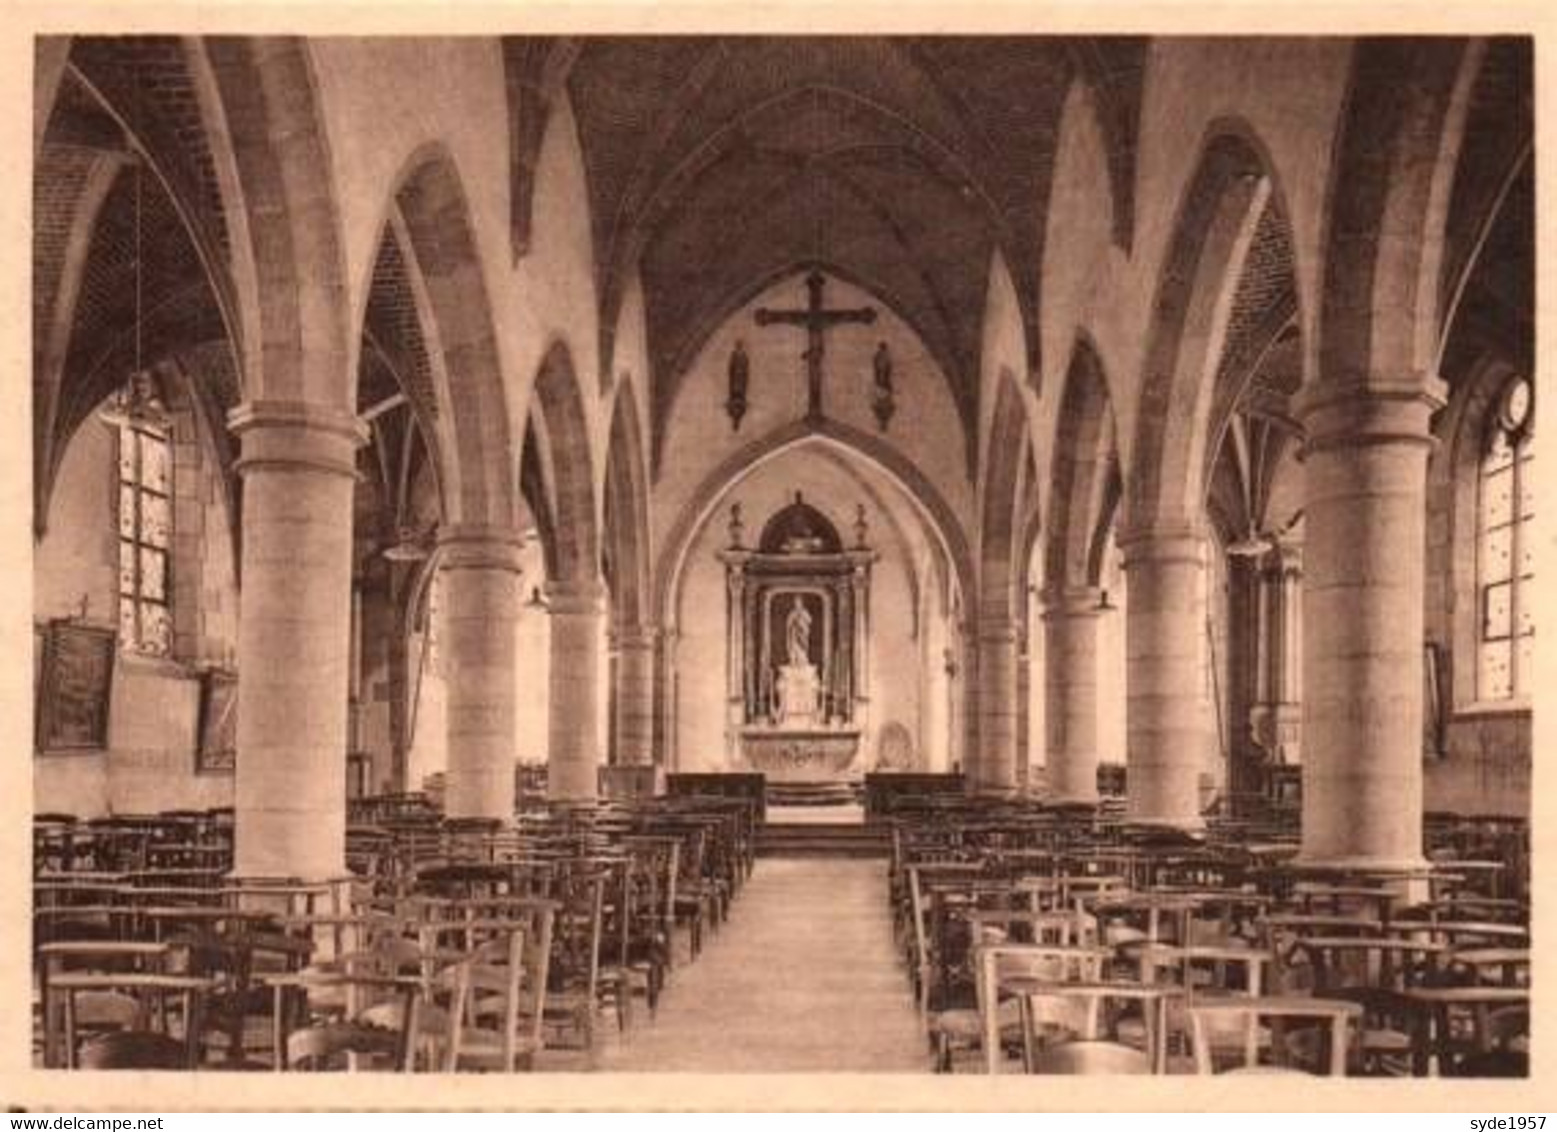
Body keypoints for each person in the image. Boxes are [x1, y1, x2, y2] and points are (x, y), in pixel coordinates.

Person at [785, 599, 812, 667]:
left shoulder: (805, 612)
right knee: (794, 647)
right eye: (796, 603)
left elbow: (809, 621)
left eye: (799, 603)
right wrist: (794, 621)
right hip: (794, 634)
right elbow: (788, 624)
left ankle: (802, 661)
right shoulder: (792, 613)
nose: (798, 604)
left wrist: (802, 620)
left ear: (801, 603)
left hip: (802, 634)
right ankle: (794, 662)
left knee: (802, 649)